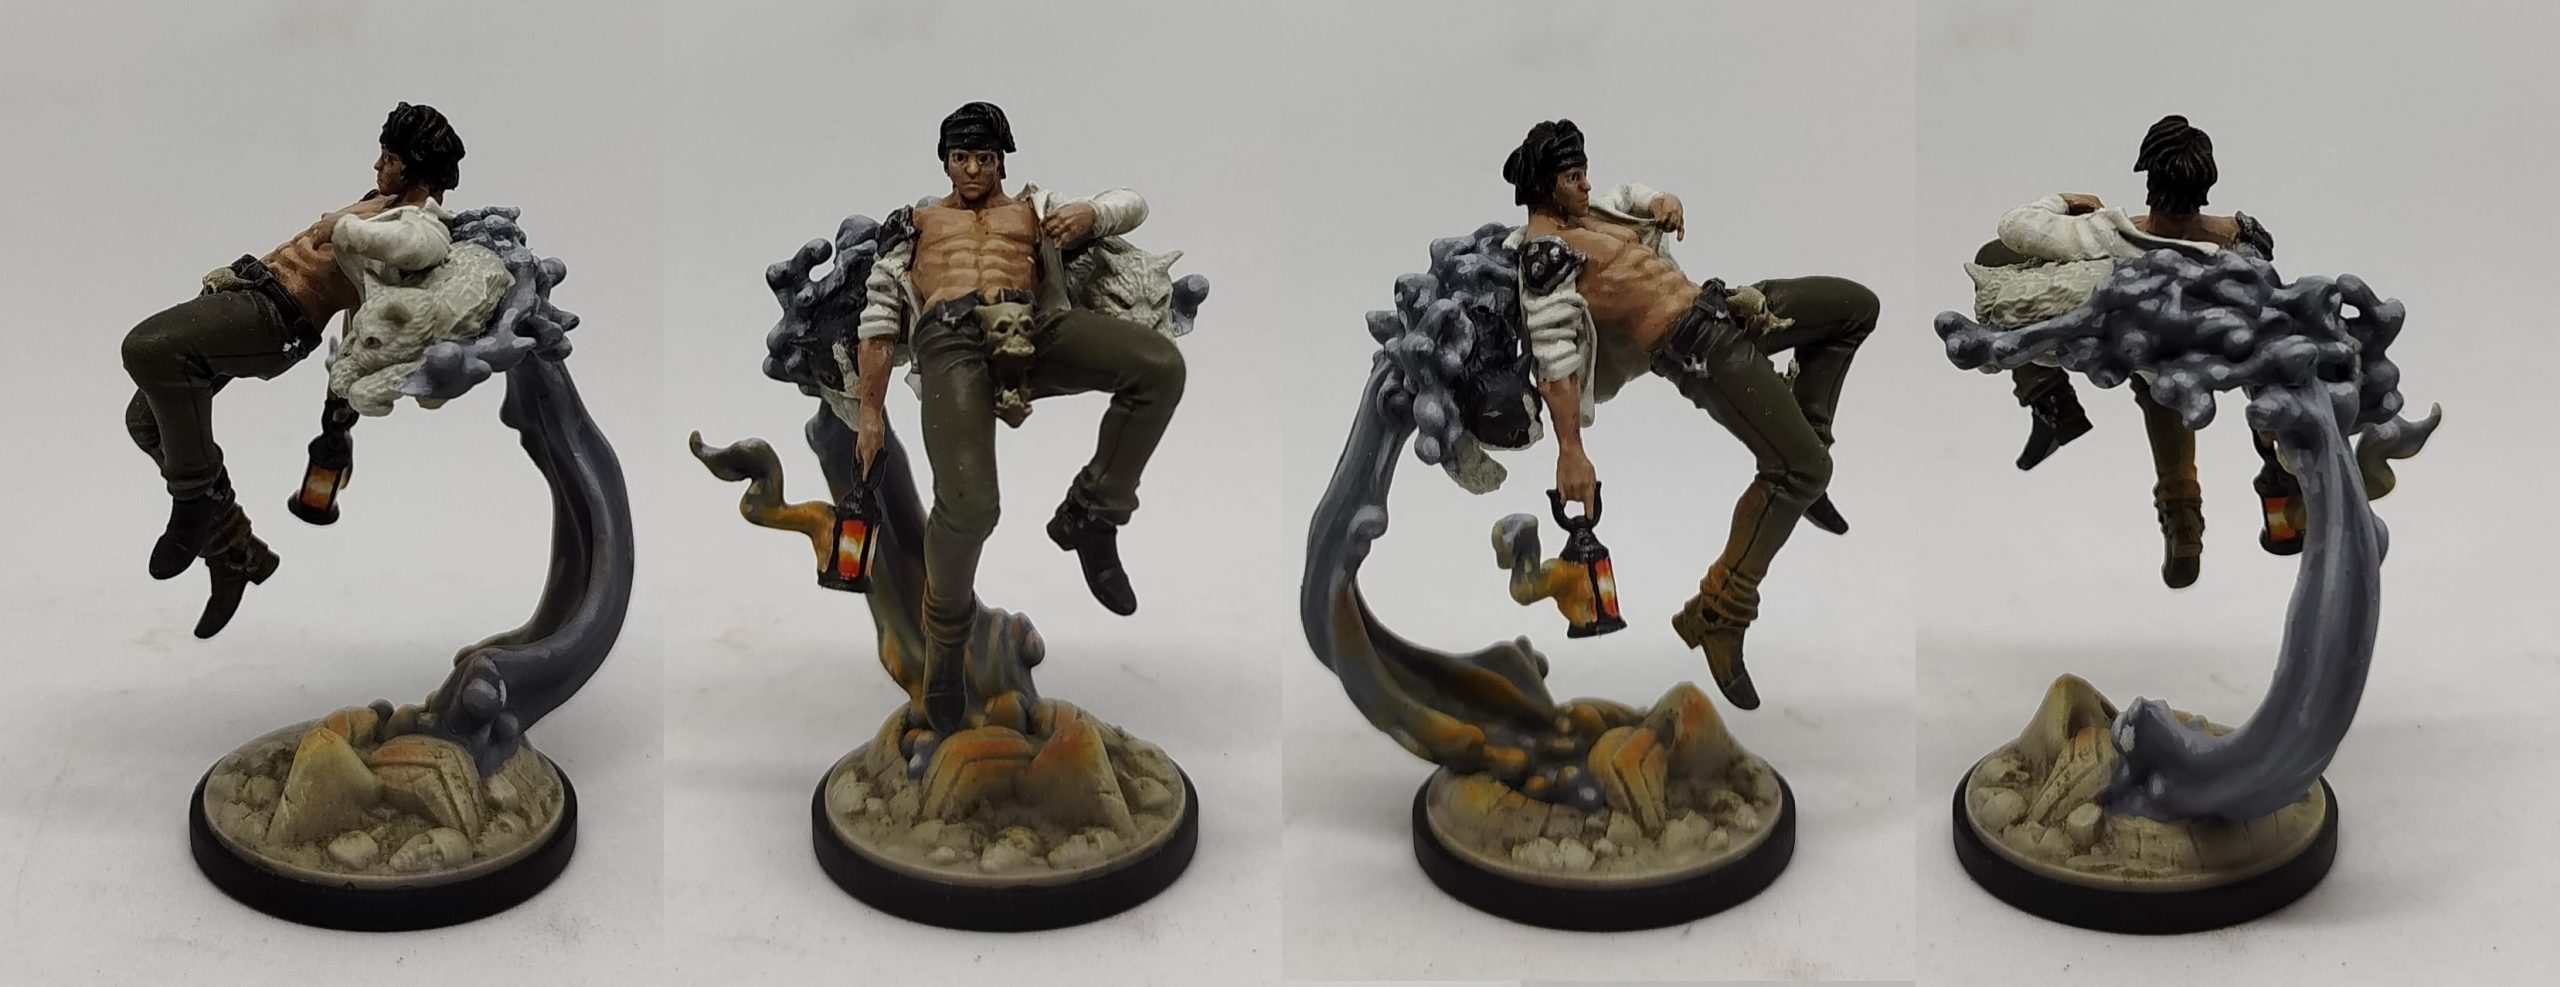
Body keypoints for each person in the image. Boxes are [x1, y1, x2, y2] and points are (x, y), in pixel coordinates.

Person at [1508, 120, 1876, 710]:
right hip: (1698, 350)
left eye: (1584, 173)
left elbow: (1628, 196)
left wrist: (1662, 200)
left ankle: (1804, 455)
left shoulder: (1588, 213)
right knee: (1801, 471)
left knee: (1855, 309)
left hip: (1726, 304)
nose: (1586, 185)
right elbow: (1555, 359)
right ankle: (1720, 612)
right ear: (1546, 187)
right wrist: (1570, 451)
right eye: (1574, 177)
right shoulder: (1546, 259)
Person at [847, 101, 1188, 733]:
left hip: (1035, 328)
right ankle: (944, 644)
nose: (972, 169)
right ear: (945, 162)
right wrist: (870, 412)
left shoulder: (1035, 208)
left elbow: (1132, 203)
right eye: (960, 158)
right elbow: (879, 319)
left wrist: (1091, 214)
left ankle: (1092, 514)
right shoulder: (915, 225)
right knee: (970, 507)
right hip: (952, 342)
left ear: (1001, 160)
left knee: (1159, 368)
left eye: (984, 157)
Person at [121, 102, 464, 637]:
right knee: (146, 421)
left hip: (277, 322)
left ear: (415, 165)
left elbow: (401, 269)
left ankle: (191, 501)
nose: (378, 165)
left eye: (390, 157)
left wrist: (337, 420)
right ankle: (235, 550)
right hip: (249, 296)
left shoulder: (420, 226)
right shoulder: (381, 202)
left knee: (147, 350)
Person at [1986, 115, 2297, 588]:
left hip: (2138, 353)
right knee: (2178, 393)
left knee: (2004, 274)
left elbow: (2013, 228)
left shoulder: (2111, 235)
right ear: (2205, 183)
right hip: (2203, 360)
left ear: (2149, 178)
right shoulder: (2237, 243)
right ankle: (2190, 515)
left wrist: (2066, 202)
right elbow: (2266, 307)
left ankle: (2052, 402)